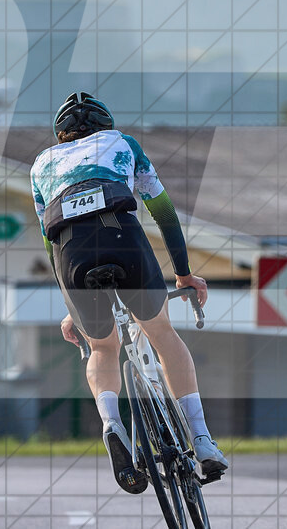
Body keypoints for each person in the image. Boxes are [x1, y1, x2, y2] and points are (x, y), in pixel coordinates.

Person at [30, 92, 228, 494]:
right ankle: (202, 439)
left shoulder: (40, 165)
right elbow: (164, 212)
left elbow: (50, 245)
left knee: (103, 348)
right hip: (120, 234)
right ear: (104, 124)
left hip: (71, 256)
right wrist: (185, 274)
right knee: (161, 333)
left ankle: (112, 423)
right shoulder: (122, 142)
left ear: (61, 134)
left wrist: (72, 307)